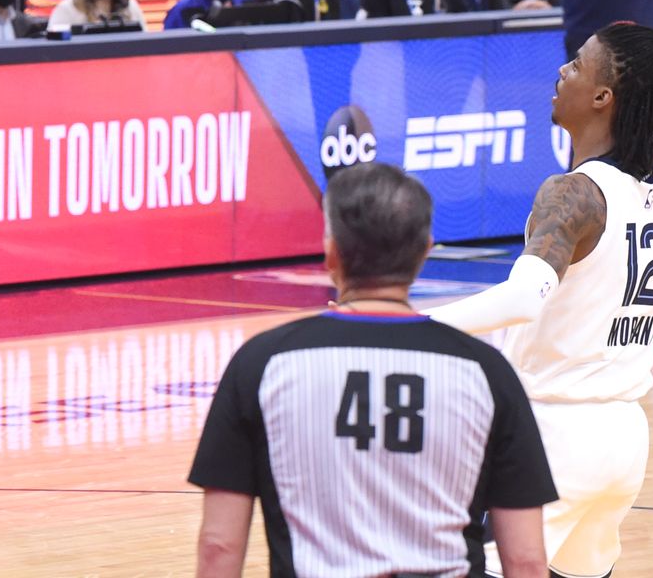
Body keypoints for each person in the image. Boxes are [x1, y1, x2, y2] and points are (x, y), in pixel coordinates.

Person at [428, 11, 653, 578]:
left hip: (553, 434)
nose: (562, 72)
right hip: (624, 439)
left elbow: (521, 300)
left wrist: (411, 325)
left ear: (602, 97)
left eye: (577, 64)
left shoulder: (574, 194)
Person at [191, 161, 555, 578]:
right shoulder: (488, 374)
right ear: (425, 251)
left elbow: (219, 546)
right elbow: (526, 560)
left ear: (331, 254)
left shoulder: (261, 364)